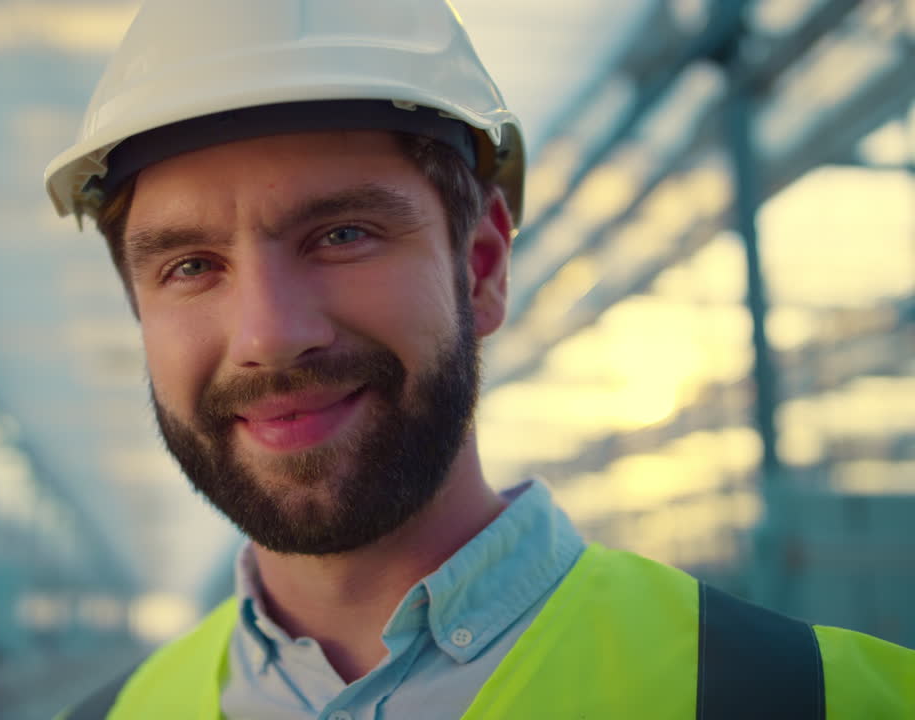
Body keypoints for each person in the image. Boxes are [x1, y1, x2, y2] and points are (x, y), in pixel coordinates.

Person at [44, 1, 914, 717]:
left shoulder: (829, 701)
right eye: (190, 267)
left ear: (482, 269)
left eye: (343, 234)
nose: (269, 334)